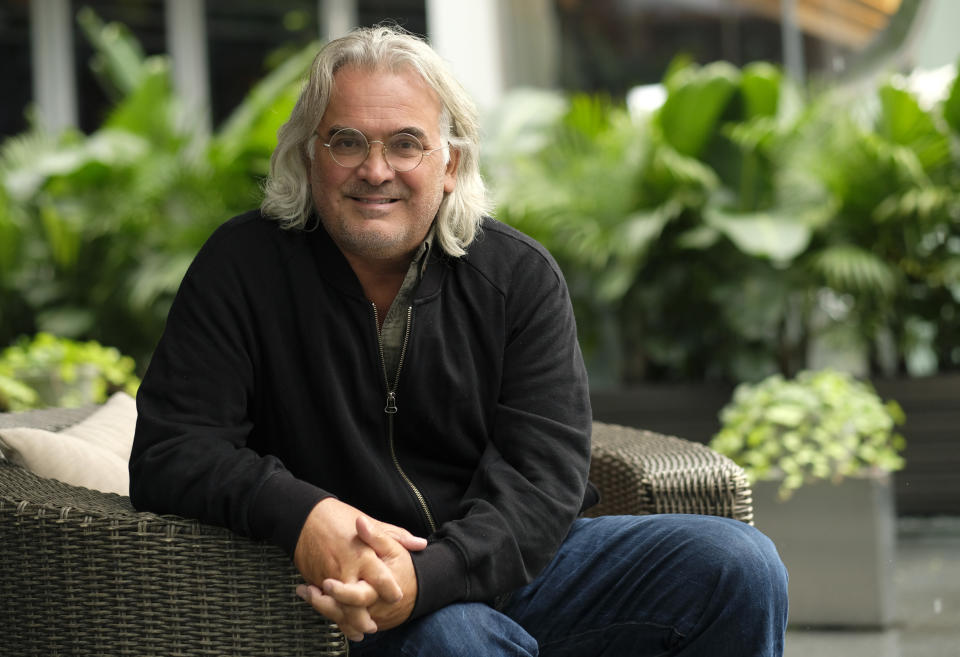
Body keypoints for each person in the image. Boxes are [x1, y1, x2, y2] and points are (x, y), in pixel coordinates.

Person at [130, 25, 788, 656]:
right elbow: (172, 448)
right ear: (309, 155)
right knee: (455, 639)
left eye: (407, 143)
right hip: (330, 591)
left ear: (452, 163)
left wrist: (429, 578)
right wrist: (308, 517)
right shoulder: (242, 266)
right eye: (347, 141)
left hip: (509, 570)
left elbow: (542, 479)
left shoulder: (518, 276)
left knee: (737, 562)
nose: (376, 169)